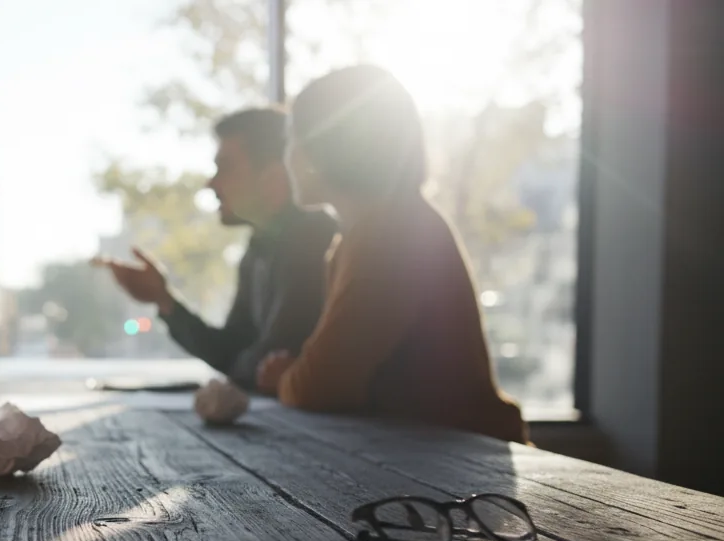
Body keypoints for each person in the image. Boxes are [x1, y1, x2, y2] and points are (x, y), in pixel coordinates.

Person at [256, 65, 528, 443]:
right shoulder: (368, 233)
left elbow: (321, 385)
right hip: (434, 454)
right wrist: (297, 375)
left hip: (464, 471)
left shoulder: (389, 234)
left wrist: (286, 378)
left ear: (322, 147)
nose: (287, 158)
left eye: (291, 140)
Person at [99, 107, 337, 389]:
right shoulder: (259, 247)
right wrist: (163, 300)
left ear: (274, 177)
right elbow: (235, 352)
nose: (211, 183)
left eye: (225, 167)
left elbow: (268, 362)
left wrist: (242, 367)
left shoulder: (313, 242)